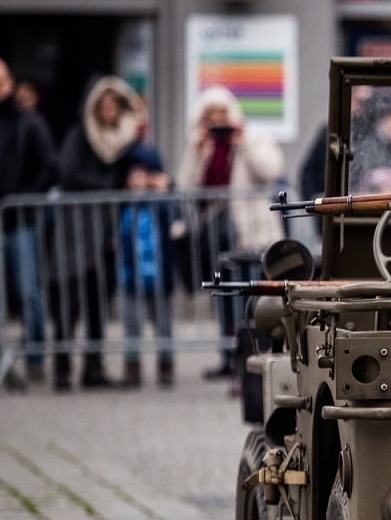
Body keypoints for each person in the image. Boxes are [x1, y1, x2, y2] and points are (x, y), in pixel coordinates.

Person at [174, 84, 285, 379]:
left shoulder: (252, 138)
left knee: (251, 298)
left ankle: (252, 355)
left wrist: (243, 142)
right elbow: (185, 188)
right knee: (225, 297)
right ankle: (228, 357)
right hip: (217, 237)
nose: (219, 121)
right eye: (211, 115)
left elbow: (270, 170)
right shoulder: (201, 146)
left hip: (252, 234)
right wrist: (197, 151)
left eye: (223, 113)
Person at [52, 75, 147, 390]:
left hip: (106, 234)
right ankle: (62, 367)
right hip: (75, 232)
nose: (108, 112)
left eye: (113, 106)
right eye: (102, 106)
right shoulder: (79, 138)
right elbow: (68, 174)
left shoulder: (124, 143)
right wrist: (110, 187)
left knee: (97, 302)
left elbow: (144, 169)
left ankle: (93, 368)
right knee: (71, 301)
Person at [0, 57, 57, 387]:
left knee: (28, 291)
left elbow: (50, 167)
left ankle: (35, 358)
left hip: (20, 219)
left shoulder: (29, 123)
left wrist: (22, 199)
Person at [116, 143, 178, 388]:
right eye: (134, 173)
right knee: (132, 324)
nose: (138, 179)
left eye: (145, 173)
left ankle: (166, 365)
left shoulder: (162, 204)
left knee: (163, 324)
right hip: (132, 275)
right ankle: (132, 367)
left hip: (160, 276)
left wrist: (166, 189)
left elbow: (178, 220)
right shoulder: (122, 204)